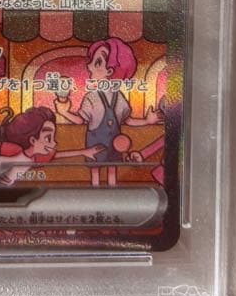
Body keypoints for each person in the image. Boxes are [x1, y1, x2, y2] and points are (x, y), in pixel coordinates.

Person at [55, 37, 162, 186]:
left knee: (111, 170)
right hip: (95, 143)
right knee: (97, 171)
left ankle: (112, 194)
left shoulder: (114, 97)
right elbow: (82, 120)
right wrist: (63, 113)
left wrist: (147, 121)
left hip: (115, 143)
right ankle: (99, 194)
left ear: (110, 71)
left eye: (97, 62)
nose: (89, 66)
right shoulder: (92, 97)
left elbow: (127, 120)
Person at [0, 106, 102, 186]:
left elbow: (58, 155)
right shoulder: (16, 150)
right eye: (48, 138)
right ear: (33, 140)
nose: (54, 143)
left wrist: (83, 152)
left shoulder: (36, 158)